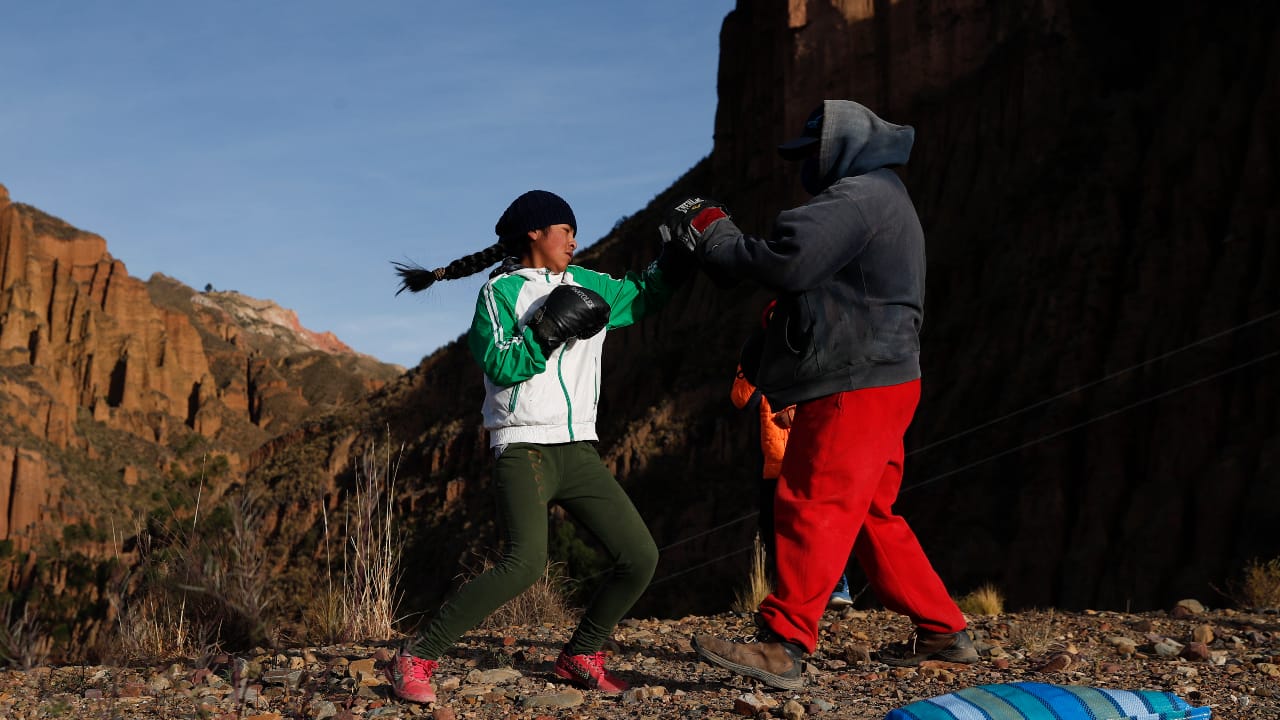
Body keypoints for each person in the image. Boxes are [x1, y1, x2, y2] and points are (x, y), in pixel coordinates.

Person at [663, 100, 978, 690]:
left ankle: (784, 645)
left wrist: (714, 235)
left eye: (810, 153)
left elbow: (790, 262)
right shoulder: (884, 195)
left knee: (813, 499)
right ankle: (943, 630)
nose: (804, 165)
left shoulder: (858, 197)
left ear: (839, 149)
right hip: (890, 375)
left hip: (856, 382)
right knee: (869, 514)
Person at [389, 189, 692, 703]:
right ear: (535, 232)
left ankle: (581, 654)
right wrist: (546, 332)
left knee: (639, 556)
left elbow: (643, 296)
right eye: (565, 230)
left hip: (578, 449)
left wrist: (677, 260)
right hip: (523, 445)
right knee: (524, 563)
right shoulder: (500, 293)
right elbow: (500, 365)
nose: (574, 240)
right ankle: (416, 656)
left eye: (575, 232)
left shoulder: (589, 284)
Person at [730, 303, 853, 610]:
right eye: (772, 320)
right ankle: (793, 595)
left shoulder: (817, 350)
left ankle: (837, 587)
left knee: (818, 523)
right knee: (773, 530)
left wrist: (794, 412)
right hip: (774, 461)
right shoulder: (758, 353)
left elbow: (832, 401)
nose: (779, 325)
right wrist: (757, 360)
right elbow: (740, 399)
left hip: (812, 456)